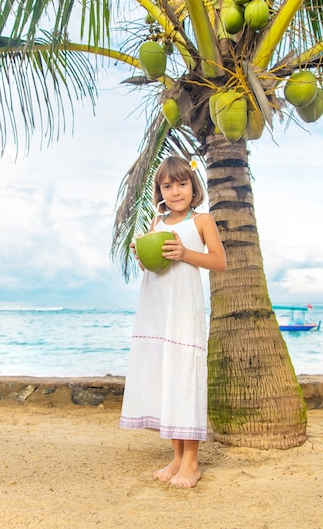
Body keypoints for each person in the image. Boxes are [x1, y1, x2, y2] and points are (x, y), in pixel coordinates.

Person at [120, 155, 227, 488]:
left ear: (194, 187)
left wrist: (184, 254)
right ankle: (178, 458)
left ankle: (192, 463)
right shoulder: (157, 222)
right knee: (167, 378)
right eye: (167, 185)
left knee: (184, 377)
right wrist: (142, 256)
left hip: (184, 308)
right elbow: (154, 266)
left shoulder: (202, 220)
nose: (175, 191)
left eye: (182, 183)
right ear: (159, 190)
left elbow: (219, 262)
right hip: (157, 309)